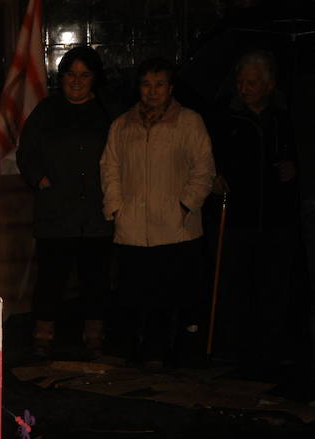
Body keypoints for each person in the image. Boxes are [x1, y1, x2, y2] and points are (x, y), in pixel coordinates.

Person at [100, 57, 215, 367]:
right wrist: (115, 207)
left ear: (171, 87)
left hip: (174, 227)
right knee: (133, 292)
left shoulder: (189, 122)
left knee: (169, 294)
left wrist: (185, 204)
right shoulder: (122, 124)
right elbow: (109, 167)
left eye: (159, 85)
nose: (152, 92)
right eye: (146, 84)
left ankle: (162, 351)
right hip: (134, 227)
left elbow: (204, 168)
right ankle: (129, 347)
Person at [16, 46, 114, 360]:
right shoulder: (47, 111)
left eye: (84, 75)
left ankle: (94, 336)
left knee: (95, 279)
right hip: (56, 211)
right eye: (71, 74)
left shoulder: (106, 112)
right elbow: (26, 152)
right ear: (62, 77)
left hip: (95, 212)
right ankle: (43, 336)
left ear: (95, 79)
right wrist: (40, 179)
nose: (76, 81)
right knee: (51, 279)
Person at [210, 51, 298, 366]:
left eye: (252, 83)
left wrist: (295, 169)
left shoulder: (286, 117)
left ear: (269, 85)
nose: (244, 88)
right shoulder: (225, 117)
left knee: (274, 288)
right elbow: (208, 158)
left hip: (277, 218)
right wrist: (214, 177)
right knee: (234, 287)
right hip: (237, 216)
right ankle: (232, 350)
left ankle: (270, 350)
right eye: (240, 81)